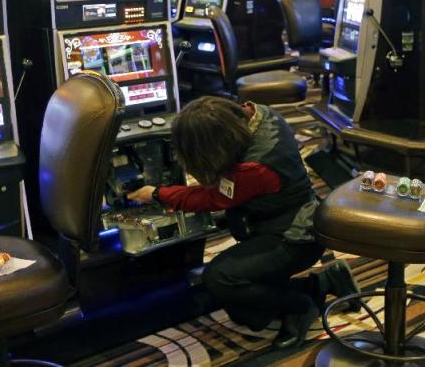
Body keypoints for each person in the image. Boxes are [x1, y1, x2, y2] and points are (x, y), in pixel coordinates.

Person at [128, 96, 359, 349]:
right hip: (288, 220)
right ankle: (325, 281)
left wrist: (156, 193)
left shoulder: (255, 167)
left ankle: (301, 307)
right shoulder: (259, 113)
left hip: (294, 239)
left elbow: (212, 198)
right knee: (245, 310)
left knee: (220, 279)